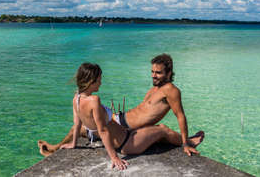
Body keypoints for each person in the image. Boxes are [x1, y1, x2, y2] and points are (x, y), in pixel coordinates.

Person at [38, 54, 204, 157]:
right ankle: (55, 148)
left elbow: (180, 116)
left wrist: (184, 142)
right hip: (121, 123)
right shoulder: (155, 88)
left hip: (125, 128)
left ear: (168, 73)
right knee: (77, 128)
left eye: (158, 72)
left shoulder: (171, 91)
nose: (153, 75)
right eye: (152, 71)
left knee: (163, 129)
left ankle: (188, 142)